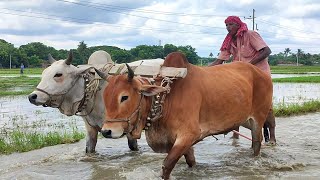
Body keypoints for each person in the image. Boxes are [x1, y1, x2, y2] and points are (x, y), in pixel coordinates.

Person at [209, 16, 276, 144]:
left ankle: (272, 137)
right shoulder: (228, 41)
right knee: (236, 102)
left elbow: (267, 50)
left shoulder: (250, 35)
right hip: (240, 78)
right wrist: (201, 71)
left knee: (266, 107)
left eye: (231, 24)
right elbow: (219, 61)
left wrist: (248, 65)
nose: (228, 28)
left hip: (259, 77)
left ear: (238, 25)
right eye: (227, 25)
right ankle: (235, 136)